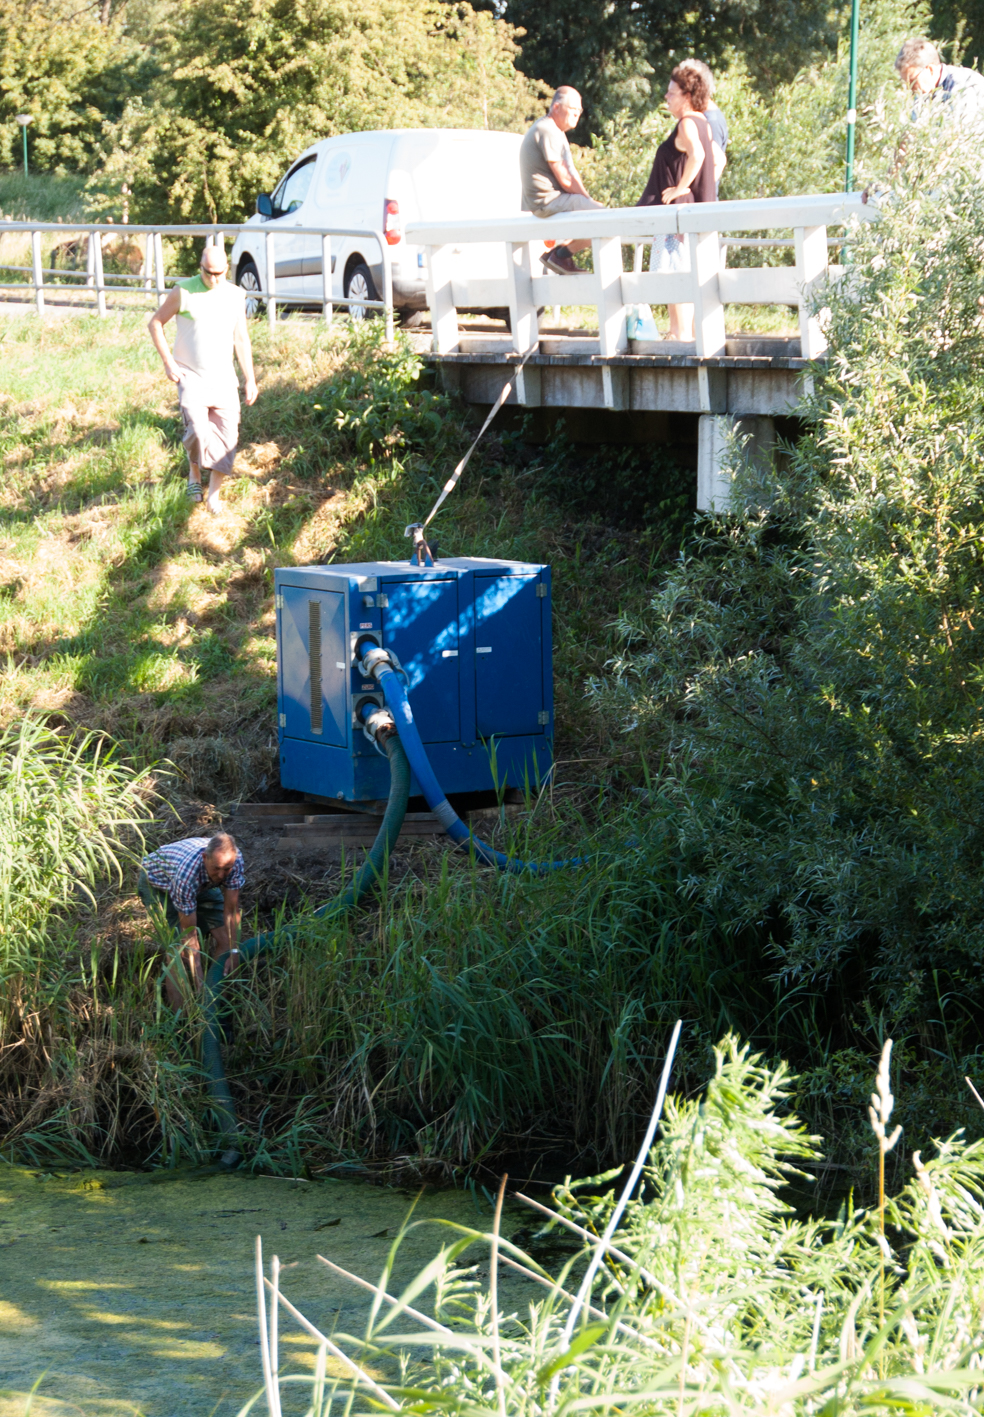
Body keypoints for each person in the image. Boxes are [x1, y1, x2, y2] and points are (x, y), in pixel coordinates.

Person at [148, 243, 258, 514]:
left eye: (219, 273)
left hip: (223, 379)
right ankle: (194, 473)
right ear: (201, 268)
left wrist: (250, 378)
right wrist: (168, 362)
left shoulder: (235, 295)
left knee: (227, 437)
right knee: (197, 430)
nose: (214, 279)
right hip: (191, 375)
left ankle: (213, 496)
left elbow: (241, 338)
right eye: (209, 273)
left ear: (227, 270)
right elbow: (155, 323)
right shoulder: (183, 291)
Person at [636, 64, 721, 341]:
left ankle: (679, 336)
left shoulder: (686, 123)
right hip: (695, 211)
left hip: (677, 214)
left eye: (671, 93)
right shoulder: (704, 122)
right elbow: (718, 160)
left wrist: (680, 188)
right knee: (688, 273)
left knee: (675, 273)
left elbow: (696, 155)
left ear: (687, 95)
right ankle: (688, 335)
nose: (667, 98)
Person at [138, 832, 245, 1008]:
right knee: (177, 950)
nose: (221, 875)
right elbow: (190, 936)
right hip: (157, 882)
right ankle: (181, 1018)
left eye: (226, 869)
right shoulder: (186, 876)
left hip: (202, 882)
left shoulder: (234, 862)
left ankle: (216, 1005)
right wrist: (199, 981)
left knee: (226, 940)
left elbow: (231, 911)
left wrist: (234, 953)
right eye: (216, 868)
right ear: (205, 858)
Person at [520, 86, 603, 274]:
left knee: (600, 215)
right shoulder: (547, 130)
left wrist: (586, 200)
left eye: (579, 111)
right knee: (607, 219)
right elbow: (565, 178)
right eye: (573, 109)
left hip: (547, 201)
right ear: (556, 107)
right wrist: (588, 201)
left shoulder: (553, 130)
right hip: (547, 202)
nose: (577, 114)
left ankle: (557, 255)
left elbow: (571, 174)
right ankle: (562, 255)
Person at [895, 38, 984, 124]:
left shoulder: (962, 85)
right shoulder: (923, 93)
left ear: (931, 70)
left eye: (912, 80)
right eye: (905, 81)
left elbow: (959, 134)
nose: (908, 87)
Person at [676, 59, 728, 192]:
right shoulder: (699, 115)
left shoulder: (710, 120)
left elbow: (716, 163)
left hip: (698, 207)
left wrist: (685, 190)